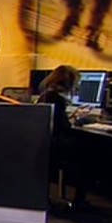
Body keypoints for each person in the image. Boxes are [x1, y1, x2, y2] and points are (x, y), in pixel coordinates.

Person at [36, 65, 83, 206]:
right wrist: (76, 119)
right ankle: (80, 201)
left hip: (44, 146)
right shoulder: (57, 100)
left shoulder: (46, 96)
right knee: (89, 151)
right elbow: (63, 128)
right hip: (55, 148)